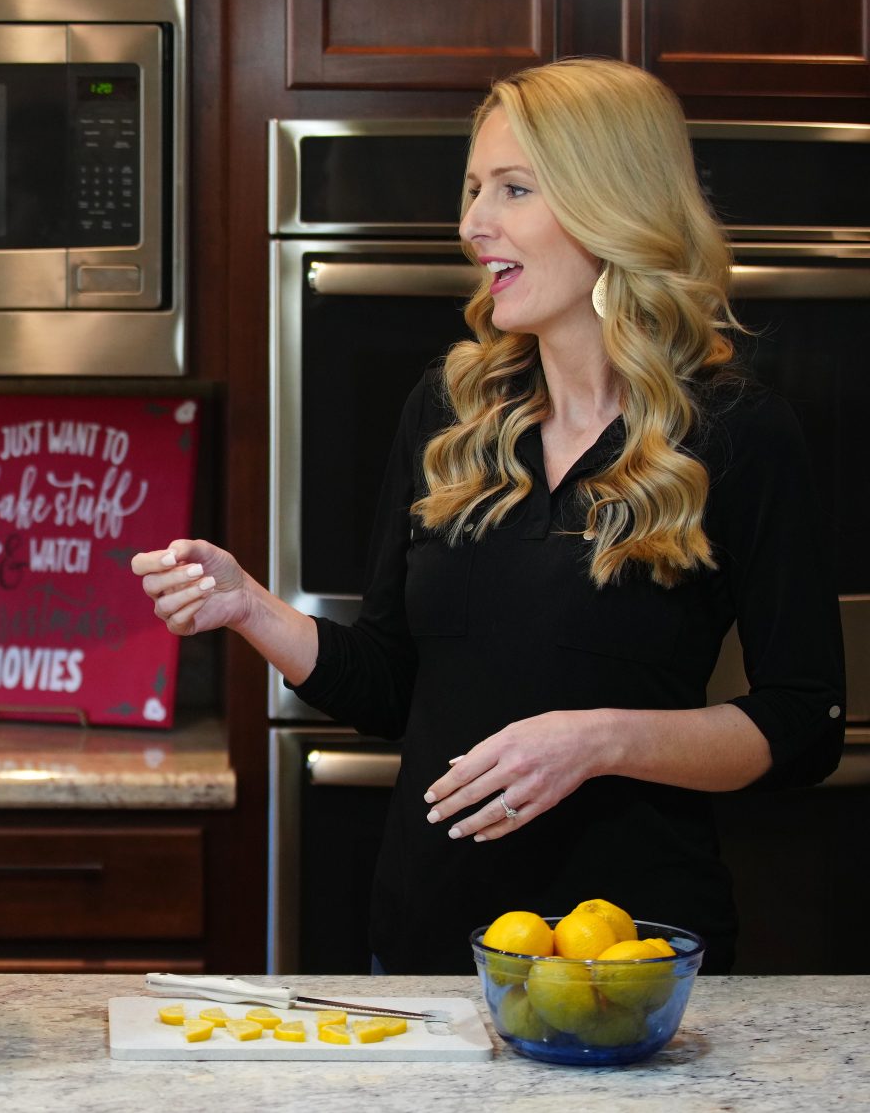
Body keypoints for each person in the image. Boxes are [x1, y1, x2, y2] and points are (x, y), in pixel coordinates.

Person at [134, 58, 845, 973]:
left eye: (513, 188)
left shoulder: (738, 432)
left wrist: (600, 740)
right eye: (473, 189)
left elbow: (805, 723)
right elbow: (392, 685)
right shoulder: (451, 411)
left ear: (611, 204)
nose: (473, 225)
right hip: (435, 950)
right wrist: (250, 609)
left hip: (635, 962)